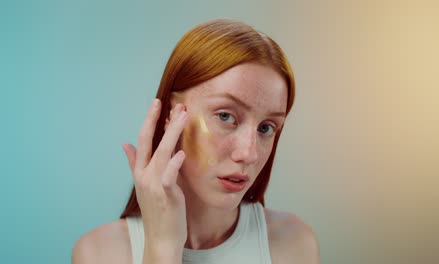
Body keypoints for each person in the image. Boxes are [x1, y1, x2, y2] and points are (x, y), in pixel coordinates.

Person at [72, 19, 320, 264]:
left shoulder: (294, 245)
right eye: (226, 116)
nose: (249, 153)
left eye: (266, 128)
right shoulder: (100, 253)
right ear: (170, 115)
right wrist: (162, 249)